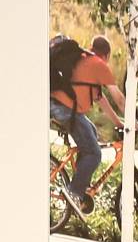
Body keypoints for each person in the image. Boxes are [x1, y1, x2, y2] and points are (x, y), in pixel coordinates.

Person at [47, 33, 121, 213]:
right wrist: (136, 126)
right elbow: (119, 100)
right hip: (64, 109)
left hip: (58, 105)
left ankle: (81, 185)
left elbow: (101, 99)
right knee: (94, 154)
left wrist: (119, 123)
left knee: (92, 132)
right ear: (107, 55)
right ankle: (74, 192)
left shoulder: (84, 58)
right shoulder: (99, 65)